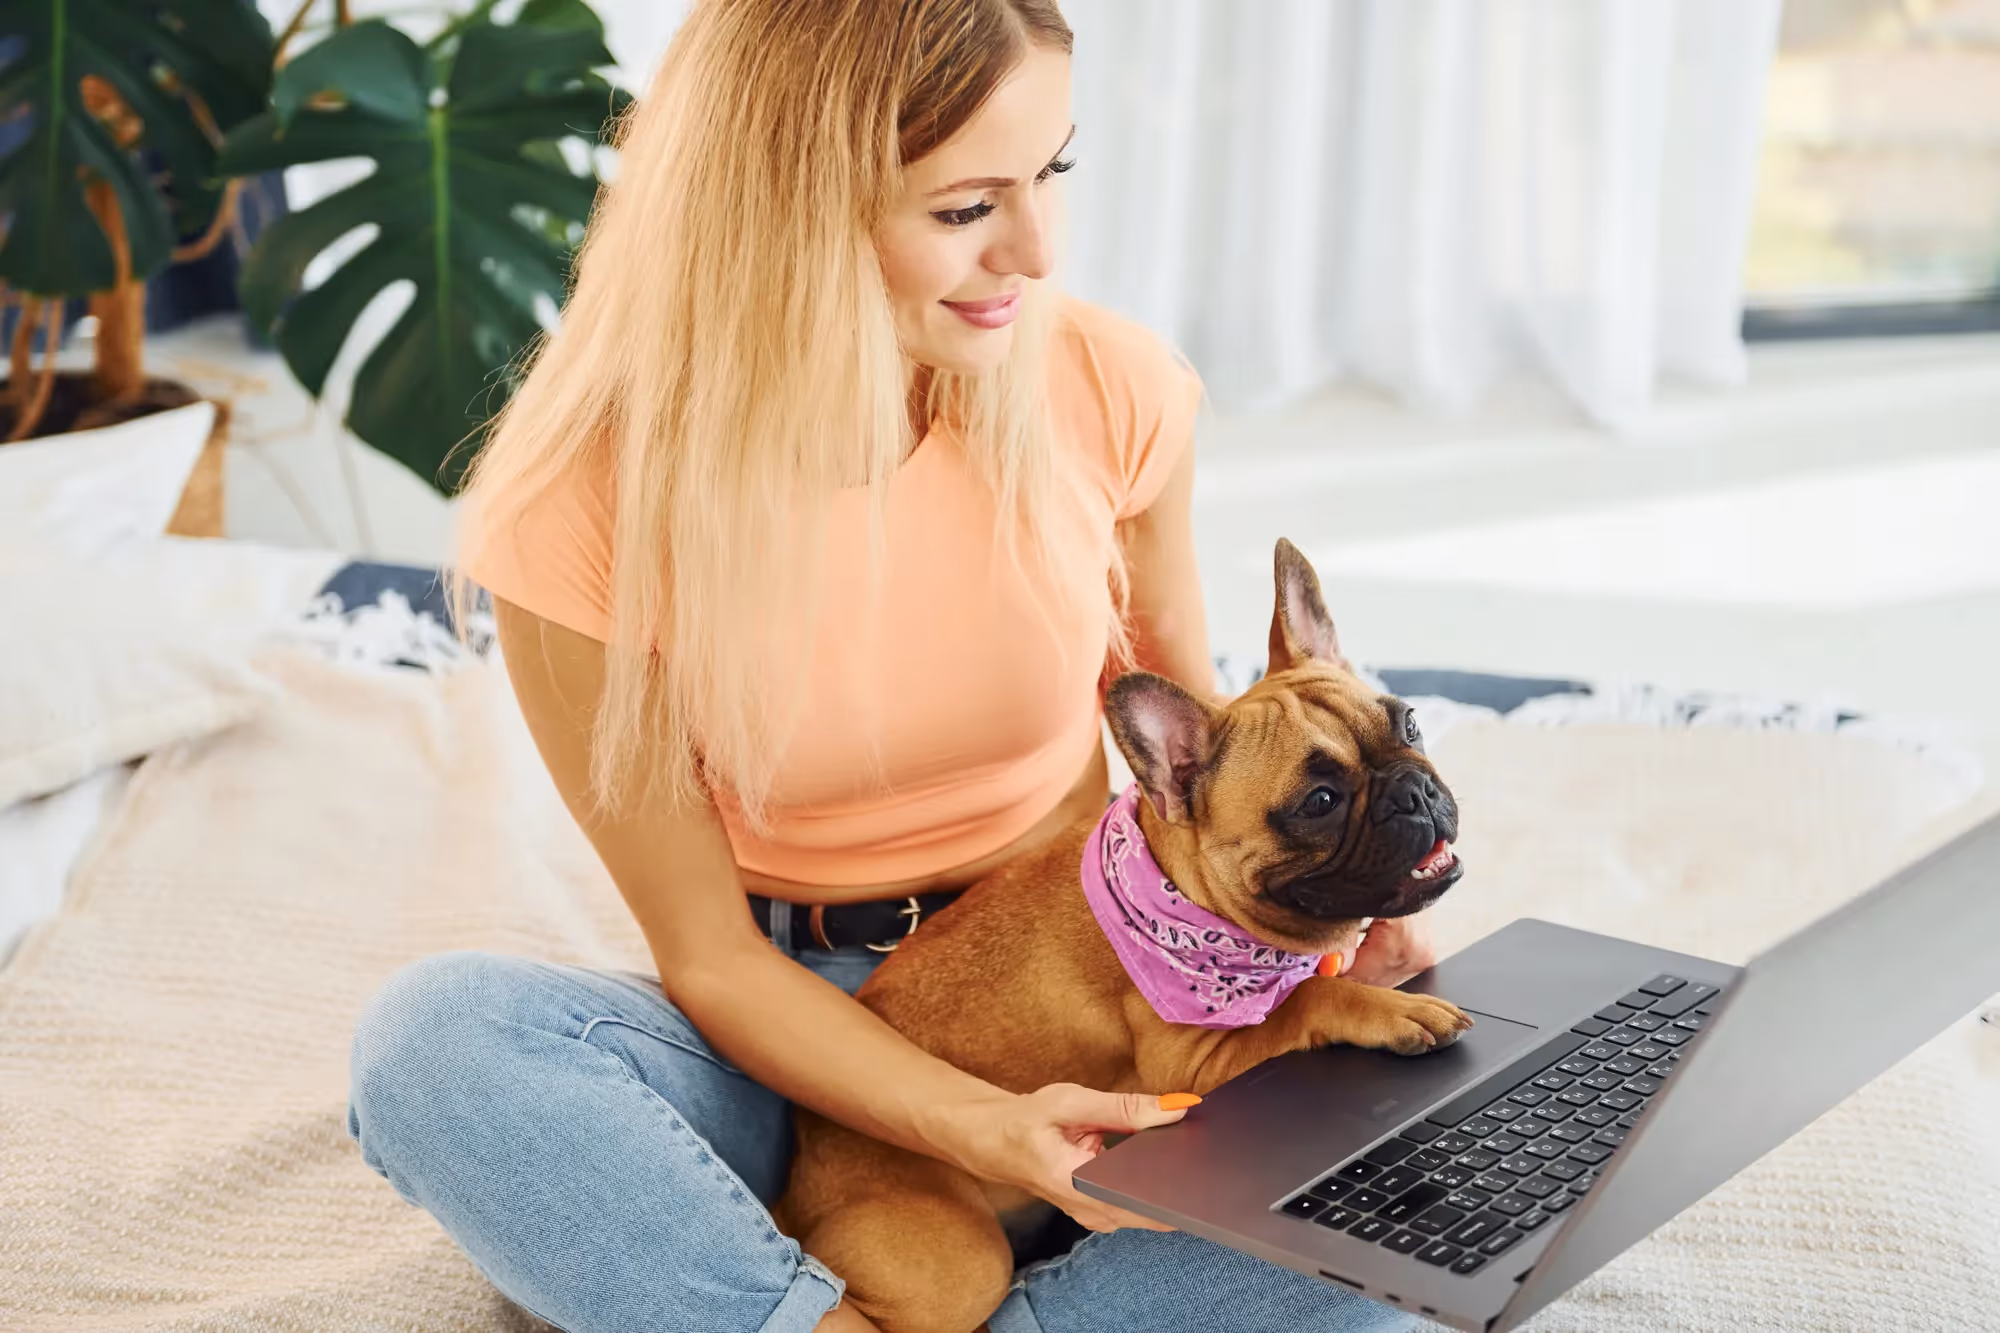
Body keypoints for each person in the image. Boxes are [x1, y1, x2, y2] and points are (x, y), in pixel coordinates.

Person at [345, 2, 1435, 1329]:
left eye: (1054, 174)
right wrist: (984, 1130)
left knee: (1421, 1212)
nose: (1037, 251)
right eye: (969, 205)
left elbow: (1208, 786)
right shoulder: (578, 506)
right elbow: (708, 960)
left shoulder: (1110, 388)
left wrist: (1331, 945)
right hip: (799, 1046)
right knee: (438, 1048)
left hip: (1111, 996)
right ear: (782, 212)